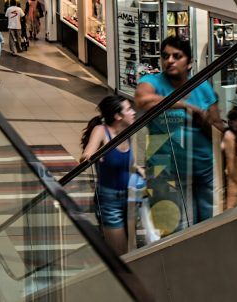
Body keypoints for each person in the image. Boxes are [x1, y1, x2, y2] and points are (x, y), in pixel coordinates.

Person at [134, 37, 220, 234]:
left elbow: (217, 127)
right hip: (165, 168)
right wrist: (185, 105)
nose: (169, 60)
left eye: (177, 56)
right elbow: (143, 100)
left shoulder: (202, 87)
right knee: (175, 228)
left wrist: (205, 121)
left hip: (202, 167)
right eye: (165, 56)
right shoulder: (152, 82)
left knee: (208, 224)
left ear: (189, 62)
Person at [81, 95, 137, 255]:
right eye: (128, 109)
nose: (133, 112)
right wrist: (94, 155)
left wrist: (138, 170)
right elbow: (87, 154)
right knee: (121, 252)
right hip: (109, 201)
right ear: (118, 116)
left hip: (130, 197)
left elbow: (127, 163)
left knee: (131, 250)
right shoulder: (101, 131)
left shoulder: (128, 131)